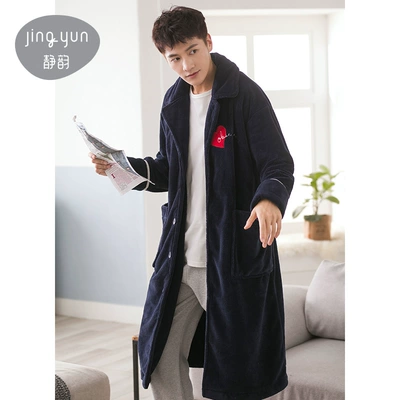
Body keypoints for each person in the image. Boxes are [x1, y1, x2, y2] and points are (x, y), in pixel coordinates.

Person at [90, 6, 294, 400]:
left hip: (230, 256)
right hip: (179, 257)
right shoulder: (174, 101)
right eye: (175, 58)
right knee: (158, 356)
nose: (186, 65)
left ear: (208, 42)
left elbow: (278, 163)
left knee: (238, 372)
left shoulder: (245, 95)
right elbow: (167, 169)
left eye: (193, 51)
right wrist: (121, 167)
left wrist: (269, 198)